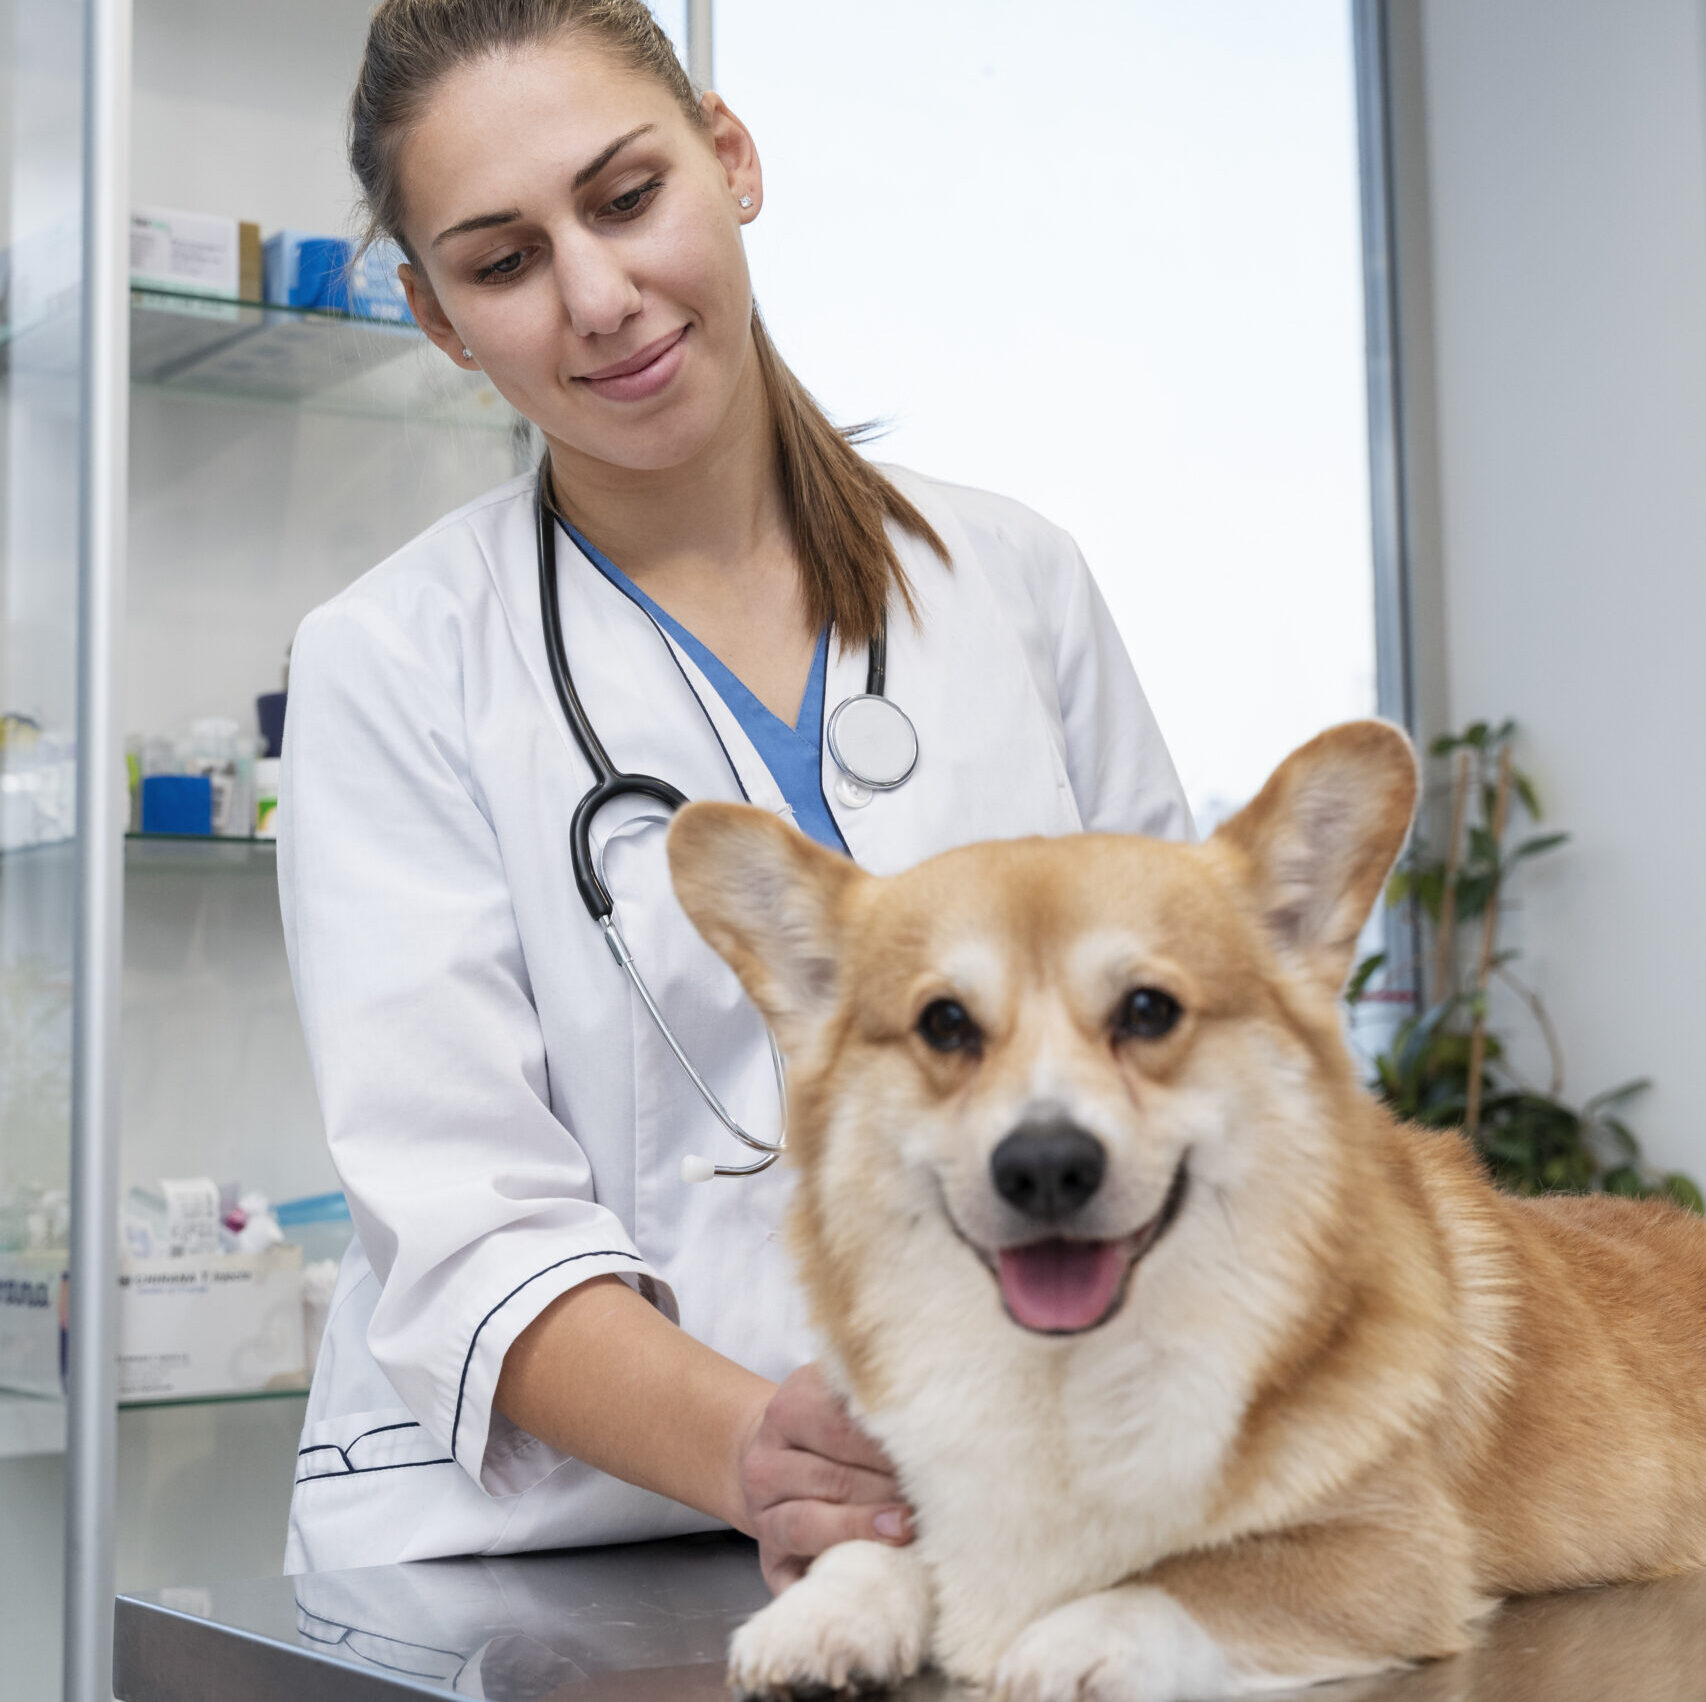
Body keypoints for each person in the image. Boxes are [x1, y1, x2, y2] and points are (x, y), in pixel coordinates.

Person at [280, 0, 1190, 1587]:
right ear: (436, 320)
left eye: (626, 199)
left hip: (1009, 1507)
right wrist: (758, 1447)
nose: (598, 296)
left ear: (730, 157)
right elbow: (467, 1223)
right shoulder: (394, 662)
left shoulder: (1010, 584)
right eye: (501, 264)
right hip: (554, 1560)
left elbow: (1183, 1035)